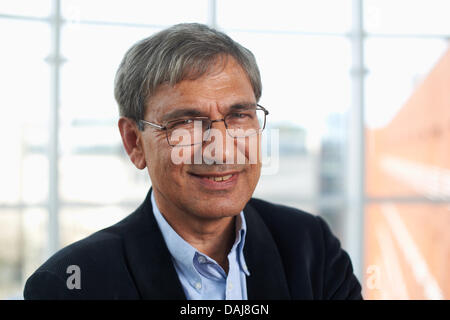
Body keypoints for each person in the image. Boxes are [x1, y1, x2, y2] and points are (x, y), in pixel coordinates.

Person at [24, 23, 362, 300]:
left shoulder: (312, 248)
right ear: (134, 142)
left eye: (239, 115)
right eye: (186, 122)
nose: (220, 149)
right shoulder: (69, 286)